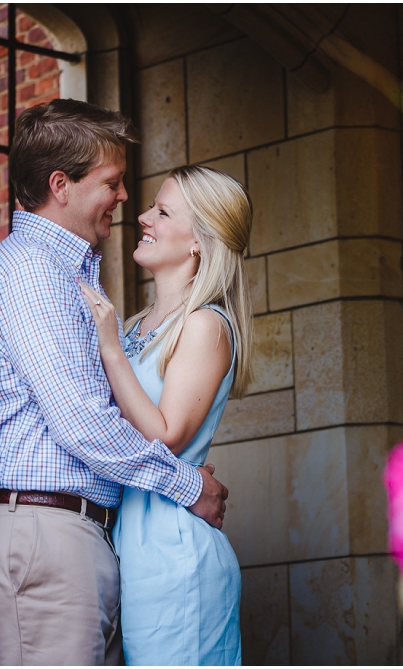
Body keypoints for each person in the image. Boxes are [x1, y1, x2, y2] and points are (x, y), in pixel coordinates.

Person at [0, 99, 229, 666]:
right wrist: (186, 485)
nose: (126, 199)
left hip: (74, 536)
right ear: (62, 185)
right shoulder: (34, 272)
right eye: (113, 182)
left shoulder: (71, 275)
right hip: (41, 533)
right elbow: (83, 422)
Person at [78, 165, 251, 665]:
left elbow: (165, 436)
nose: (143, 216)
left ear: (200, 240)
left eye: (162, 210)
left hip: (173, 554)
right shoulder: (136, 324)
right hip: (124, 545)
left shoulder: (205, 325)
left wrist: (109, 348)